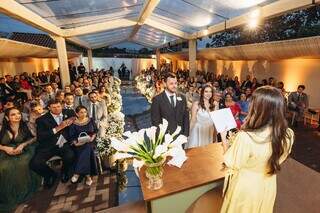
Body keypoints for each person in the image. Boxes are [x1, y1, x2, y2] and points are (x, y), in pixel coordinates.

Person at [220, 86, 294, 213]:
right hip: (268, 184)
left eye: (252, 102)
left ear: (259, 108)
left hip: (246, 187)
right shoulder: (288, 134)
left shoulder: (246, 137)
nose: (249, 105)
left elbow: (231, 163)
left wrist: (224, 138)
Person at [0, 108, 41, 212]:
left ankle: (22, 191)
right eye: (13, 114)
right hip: (5, 150)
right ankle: (8, 194)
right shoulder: (1, 127)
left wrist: (22, 145)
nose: (17, 116)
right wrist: (5, 148)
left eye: (18, 113)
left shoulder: (25, 125)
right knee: (3, 167)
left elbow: (34, 138)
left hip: (25, 149)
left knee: (22, 164)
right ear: (6, 117)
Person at [30, 99, 76, 188]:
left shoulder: (69, 112)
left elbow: (76, 116)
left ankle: (64, 171)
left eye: (58, 106)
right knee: (35, 164)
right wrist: (58, 128)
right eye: (54, 107)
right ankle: (50, 174)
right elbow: (41, 137)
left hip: (64, 144)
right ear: (48, 108)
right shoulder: (41, 120)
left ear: (61, 106)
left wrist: (73, 118)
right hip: (48, 146)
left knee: (70, 156)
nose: (57, 109)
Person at [151, 72, 189, 136]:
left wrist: (185, 135)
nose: (174, 86)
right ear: (165, 84)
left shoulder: (182, 98)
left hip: (180, 138)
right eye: (171, 83)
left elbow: (186, 118)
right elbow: (156, 122)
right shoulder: (157, 100)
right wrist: (162, 138)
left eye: (176, 83)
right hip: (164, 138)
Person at [69, 106, 98, 186]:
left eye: (85, 112)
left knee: (87, 148)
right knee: (84, 151)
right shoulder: (73, 123)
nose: (84, 114)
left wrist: (92, 138)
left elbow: (95, 131)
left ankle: (77, 173)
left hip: (90, 141)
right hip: (79, 143)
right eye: (81, 112)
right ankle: (88, 176)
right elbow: (72, 136)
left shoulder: (90, 120)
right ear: (77, 113)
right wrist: (75, 143)